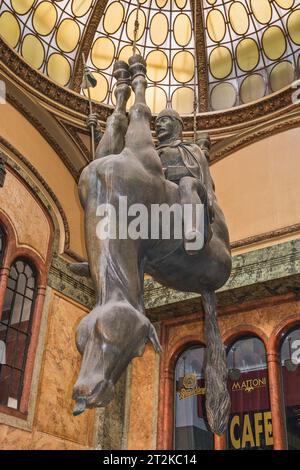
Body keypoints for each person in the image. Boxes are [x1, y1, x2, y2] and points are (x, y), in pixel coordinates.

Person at [155, 108, 215, 252]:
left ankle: (193, 231)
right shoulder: (151, 152)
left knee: (186, 182)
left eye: (164, 120)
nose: (158, 125)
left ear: (176, 124)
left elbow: (205, 178)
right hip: (163, 192)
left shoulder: (191, 149)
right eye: (156, 123)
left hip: (192, 190)